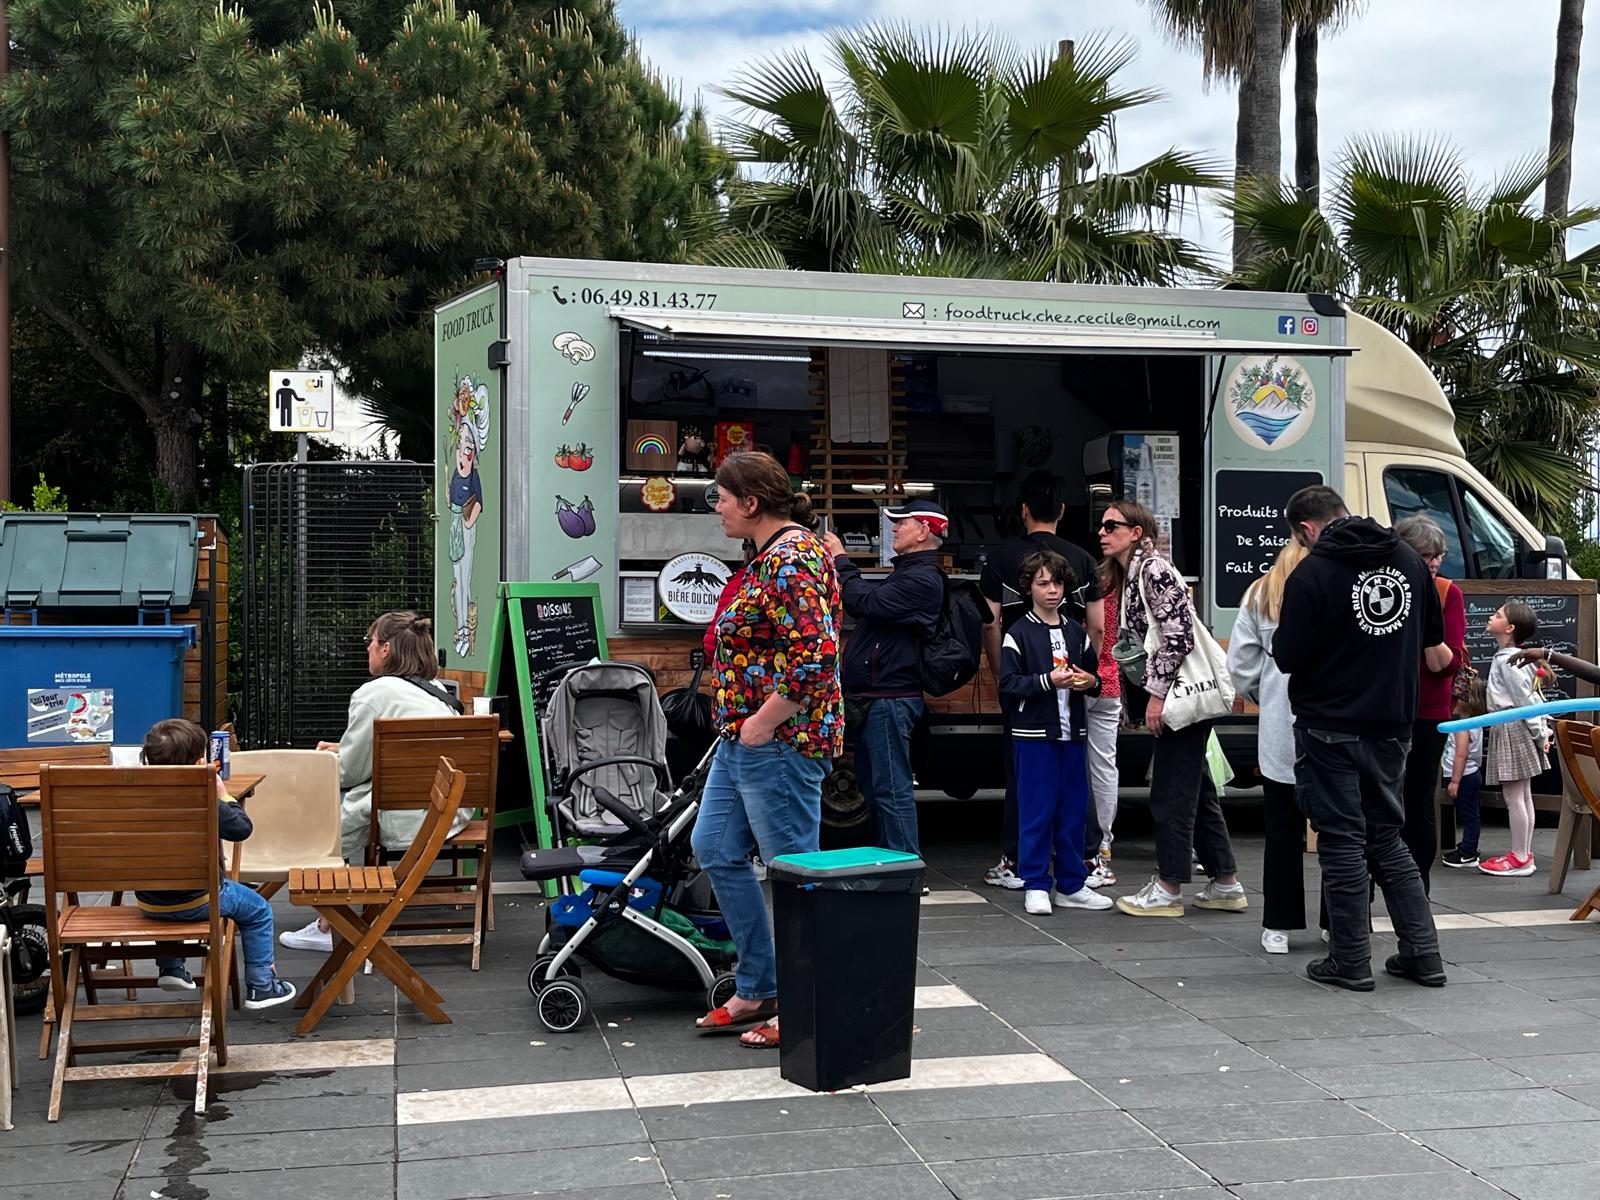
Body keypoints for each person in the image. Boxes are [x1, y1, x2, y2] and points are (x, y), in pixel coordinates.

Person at [1272, 485, 1453, 991]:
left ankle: (1350, 958)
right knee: (1386, 838)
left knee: (1342, 840)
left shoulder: (1312, 573)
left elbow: (1288, 655)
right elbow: (1427, 639)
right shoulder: (1410, 563)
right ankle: (1423, 953)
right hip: (1392, 722)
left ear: (1306, 528)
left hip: (1329, 724)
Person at [691, 451, 842, 1050]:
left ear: (751, 503)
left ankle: (803, 1003)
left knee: (794, 872)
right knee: (714, 848)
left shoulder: (793, 560)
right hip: (747, 737)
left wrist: (761, 722)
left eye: (722, 497)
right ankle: (758, 984)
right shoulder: (775, 557)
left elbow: (816, 658)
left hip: (778, 739)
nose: (718, 507)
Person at [279, 611, 467, 954]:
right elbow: (401, 752)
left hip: (400, 815)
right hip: (445, 813)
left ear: (386, 649)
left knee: (316, 830)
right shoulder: (439, 692)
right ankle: (327, 923)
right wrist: (344, 748)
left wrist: (326, 761)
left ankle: (332, 924)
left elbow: (350, 773)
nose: (367, 648)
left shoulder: (374, 693)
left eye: (371, 641)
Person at [1101, 500, 1246, 918]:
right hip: (1176, 695)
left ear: (1137, 532)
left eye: (1112, 525)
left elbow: (1178, 636)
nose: (1103, 532)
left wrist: (1157, 695)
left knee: (1170, 794)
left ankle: (1169, 886)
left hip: (1177, 697)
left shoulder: (1154, 570)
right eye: (1103, 526)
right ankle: (1225, 881)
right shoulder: (1134, 572)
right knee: (1196, 790)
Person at [980, 470, 1105, 890]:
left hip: (1027, 680)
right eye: (1044, 583)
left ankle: (1016, 861)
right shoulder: (1084, 558)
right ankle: (1089, 857)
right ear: (1063, 511)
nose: (1051, 588)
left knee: (1026, 779)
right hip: (1067, 678)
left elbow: (990, 622)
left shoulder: (1000, 556)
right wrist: (1089, 671)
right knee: (1078, 776)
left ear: (1024, 510)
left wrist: (1004, 675)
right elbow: (1098, 627)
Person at [138, 719, 297, 1009]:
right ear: (201, 763)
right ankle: (262, 986)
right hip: (200, 899)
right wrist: (222, 793)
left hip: (149, 904)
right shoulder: (201, 797)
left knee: (166, 888)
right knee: (259, 910)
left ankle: (171, 968)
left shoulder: (129, 799)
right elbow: (241, 829)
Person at [823, 501, 946, 855]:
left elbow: (864, 601)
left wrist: (841, 561)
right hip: (874, 697)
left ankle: (906, 870)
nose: (893, 529)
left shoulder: (922, 578)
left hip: (891, 698)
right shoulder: (908, 572)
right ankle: (888, 864)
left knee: (891, 788)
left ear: (923, 530)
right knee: (875, 787)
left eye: (901, 523)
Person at [998, 550, 1114, 916]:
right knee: (1036, 809)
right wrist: (1048, 681)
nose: (1051, 590)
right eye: (1043, 583)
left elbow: (1094, 679)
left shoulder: (1076, 631)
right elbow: (1008, 684)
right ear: (1029, 588)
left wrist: (1090, 681)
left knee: (1073, 811)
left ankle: (1071, 883)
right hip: (1033, 736)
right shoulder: (1017, 633)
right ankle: (1035, 882)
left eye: (1058, 583)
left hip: (1073, 733)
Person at [1226, 540, 1309, 954]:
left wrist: (1270, 694)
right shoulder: (1340, 587)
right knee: (1343, 831)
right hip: (1337, 726)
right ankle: (1341, 920)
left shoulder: (1261, 592)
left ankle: (1279, 924)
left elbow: (1240, 665)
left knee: (1281, 831)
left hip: (1280, 727)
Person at [1393, 516, 1466, 892]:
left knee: (1419, 800)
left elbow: (1445, 663)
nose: (1434, 562)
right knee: (1380, 803)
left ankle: (1417, 888)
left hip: (1428, 711)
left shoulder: (1445, 593)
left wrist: (1420, 619)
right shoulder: (1384, 588)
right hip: (1387, 708)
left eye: (1438, 555)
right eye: (1425, 555)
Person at [1480, 602, 1550, 878]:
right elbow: (1534, 698)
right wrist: (1541, 731)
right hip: (1517, 727)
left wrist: (1540, 732)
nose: (1490, 616)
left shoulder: (1508, 661)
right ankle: (1524, 853)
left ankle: (1519, 856)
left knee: (1514, 796)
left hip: (1511, 726)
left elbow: (1525, 700)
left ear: (1509, 628)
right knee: (1522, 795)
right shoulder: (1517, 657)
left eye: (1497, 615)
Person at [1083, 556, 1123, 887]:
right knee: (1105, 766)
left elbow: (1094, 628)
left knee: (1075, 765)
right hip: (1113, 683)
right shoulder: (1127, 589)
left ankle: (1080, 837)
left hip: (1085, 680)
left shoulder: (1094, 588)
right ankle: (1105, 842)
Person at [1441, 677, 1489, 869]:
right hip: (1471, 774)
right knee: (1470, 813)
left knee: (1469, 815)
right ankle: (1467, 847)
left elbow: (1461, 754)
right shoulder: (1475, 722)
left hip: (1465, 776)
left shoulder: (1463, 725)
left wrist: (1454, 781)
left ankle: (1468, 852)